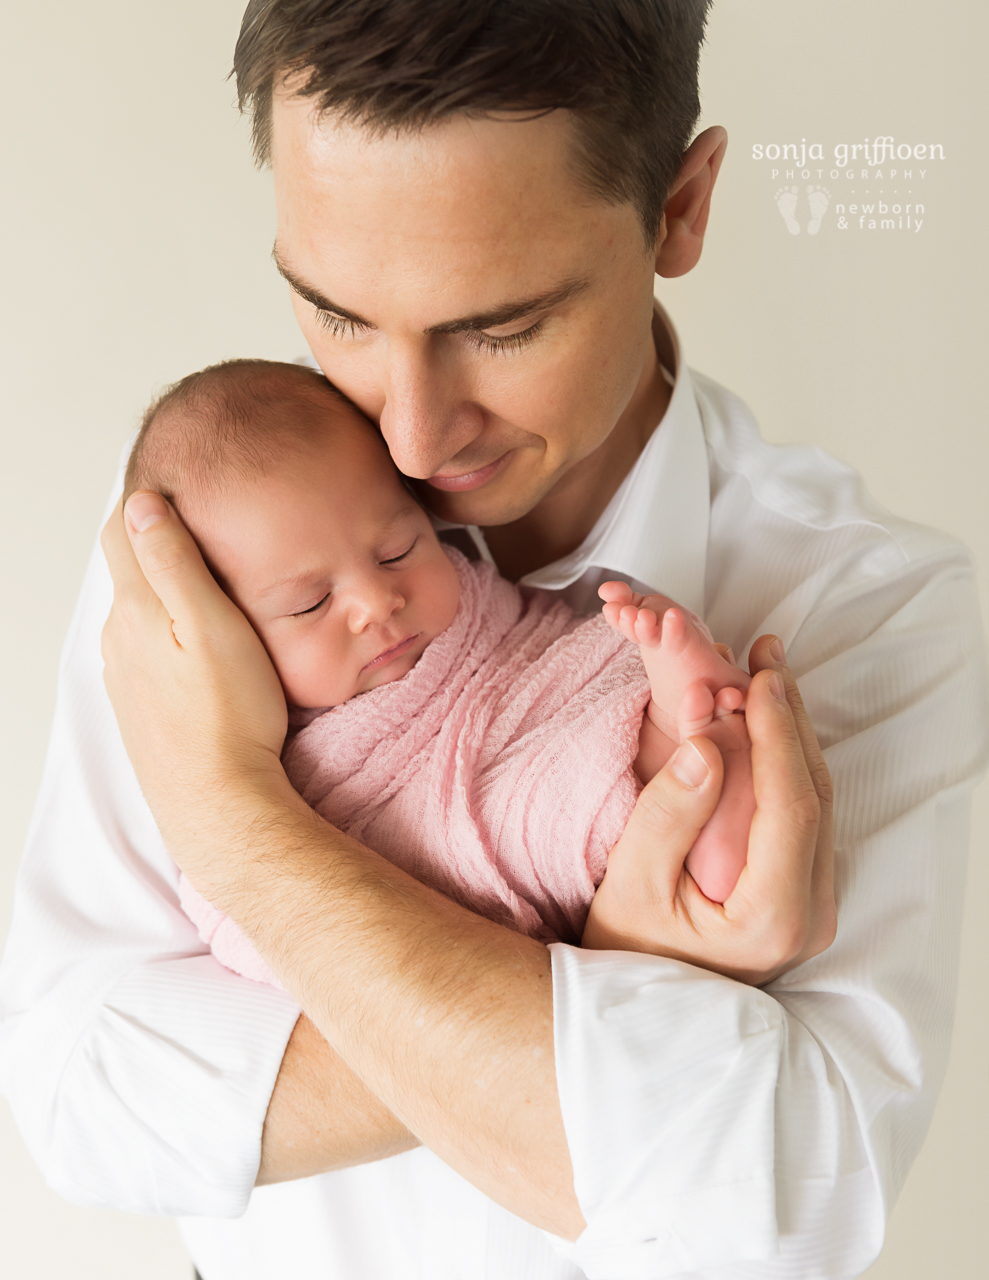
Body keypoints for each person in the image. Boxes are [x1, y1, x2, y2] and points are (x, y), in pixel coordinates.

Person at [0, 3, 984, 1279]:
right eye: (337, 314)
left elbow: (758, 1220)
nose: (409, 440)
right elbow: (76, 1095)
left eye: (500, 327)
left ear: (679, 212)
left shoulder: (867, 611)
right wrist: (606, 969)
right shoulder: (211, 535)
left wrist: (227, 811)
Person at [125, 356, 754, 975]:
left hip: (526, 688)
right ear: (219, 634)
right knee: (532, 804)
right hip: (453, 832)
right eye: (311, 603)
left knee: (610, 652)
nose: (377, 602)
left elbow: (534, 638)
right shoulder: (251, 750)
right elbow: (241, 914)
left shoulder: (463, 595)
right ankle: (688, 791)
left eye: (398, 549)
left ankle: (680, 721)